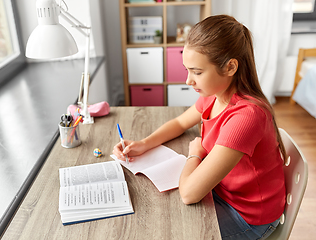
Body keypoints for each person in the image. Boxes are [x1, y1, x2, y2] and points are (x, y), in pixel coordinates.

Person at [113, 15, 285, 240]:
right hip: (221, 191)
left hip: (248, 216)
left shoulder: (246, 117)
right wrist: (143, 144)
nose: (188, 80)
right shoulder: (215, 94)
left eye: (197, 72)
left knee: (169, 229)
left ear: (230, 67)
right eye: (187, 70)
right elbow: (179, 123)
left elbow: (189, 193)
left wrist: (194, 154)